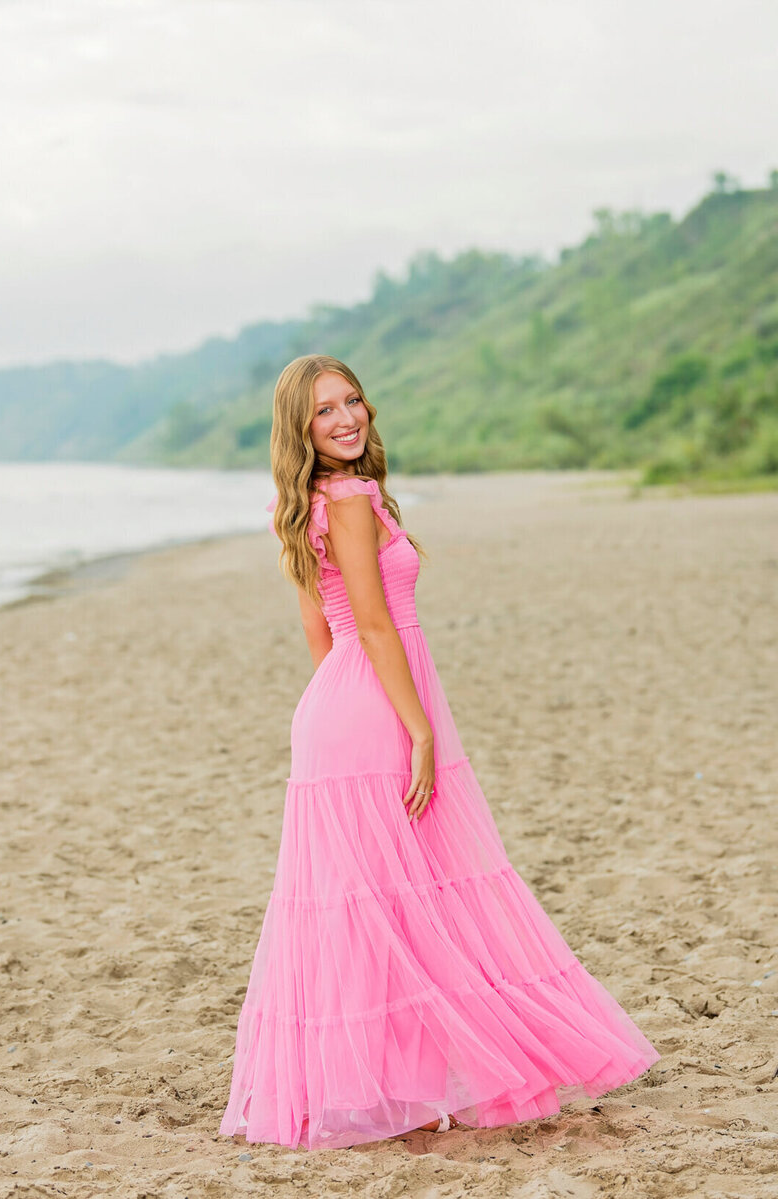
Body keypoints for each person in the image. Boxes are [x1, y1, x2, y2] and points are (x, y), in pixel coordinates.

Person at [218, 354, 659, 1152]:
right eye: (325, 410)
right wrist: (414, 727)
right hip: (378, 704)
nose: (348, 417)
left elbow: (324, 634)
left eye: (352, 400)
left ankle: (392, 1086)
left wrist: (349, 718)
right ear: (300, 427)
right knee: (410, 899)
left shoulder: (308, 503)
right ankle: (418, 1081)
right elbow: (377, 624)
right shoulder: (347, 499)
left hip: (338, 706)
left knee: (383, 906)